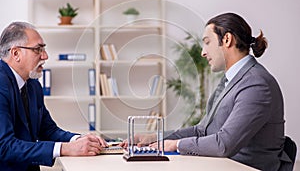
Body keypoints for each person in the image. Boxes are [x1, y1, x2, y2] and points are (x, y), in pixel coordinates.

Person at [122, 12, 291, 171]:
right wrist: (155, 138)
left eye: (207, 42)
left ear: (227, 39)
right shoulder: (230, 80)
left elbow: (224, 144)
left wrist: (176, 145)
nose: (203, 52)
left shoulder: (256, 84)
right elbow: (202, 131)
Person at [0, 21, 108, 171]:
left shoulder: (33, 85)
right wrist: (65, 149)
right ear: (16, 53)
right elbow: (4, 147)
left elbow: (48, 130)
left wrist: (78, 139)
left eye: (43, 49)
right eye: (38, 50)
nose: (45, 56)